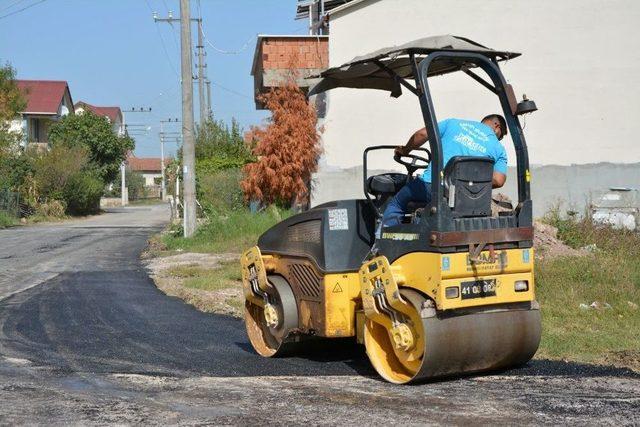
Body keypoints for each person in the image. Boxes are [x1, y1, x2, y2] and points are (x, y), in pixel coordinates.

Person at [381, 114, 508, 227]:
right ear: (497, 126)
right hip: (466, 198)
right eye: (500, 136)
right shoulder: (499, 149)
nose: (498, 140)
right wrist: (470, 183)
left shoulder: (453, 123)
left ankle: (382, 243)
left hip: (432, 187)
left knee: (397, 202)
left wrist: (405, 150)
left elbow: (422, 134)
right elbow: (498, 180)